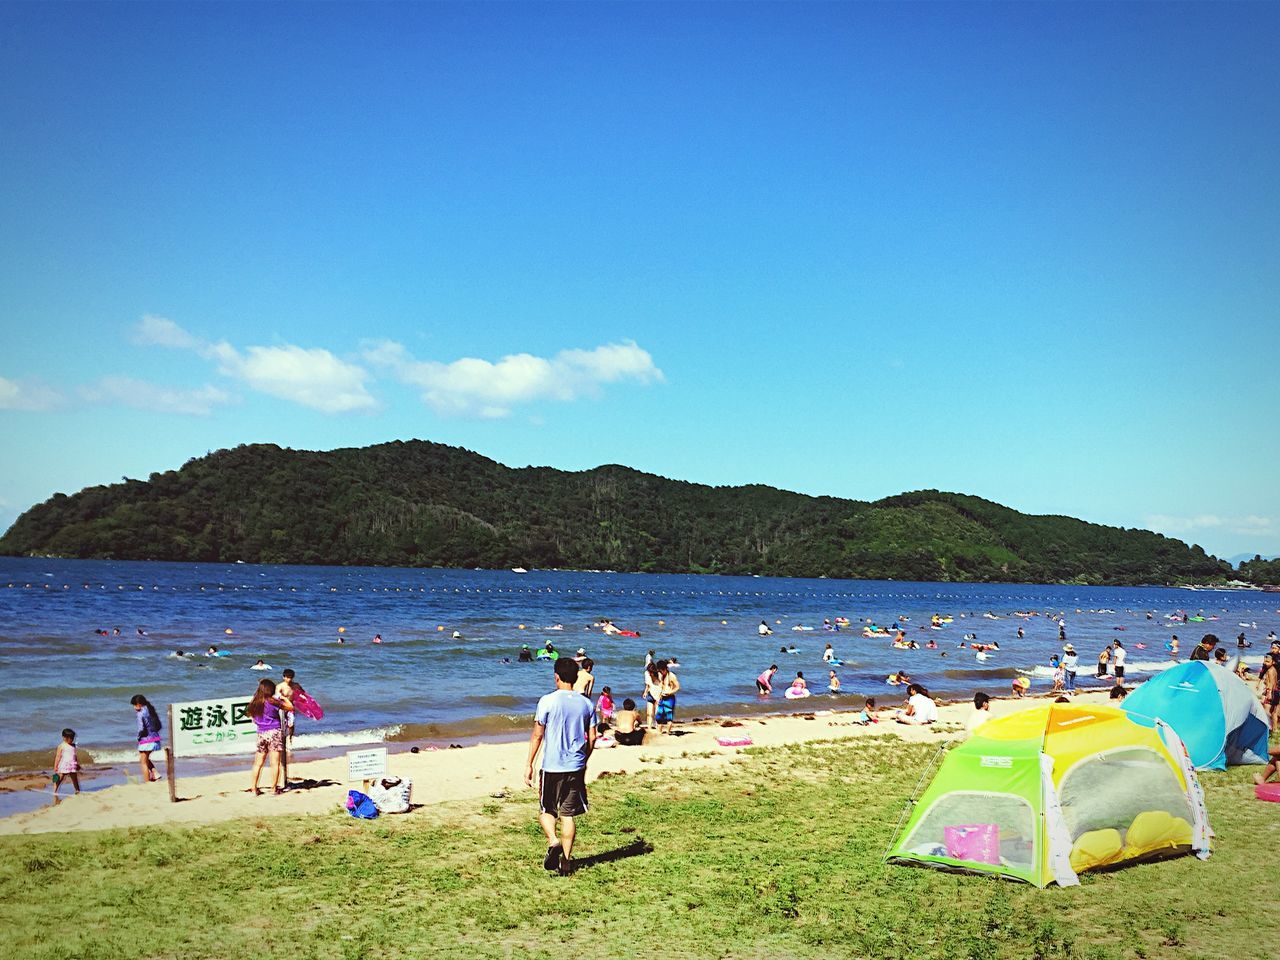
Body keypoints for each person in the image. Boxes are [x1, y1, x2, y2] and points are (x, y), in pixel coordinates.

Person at [525, 657, 596, 875]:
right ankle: (565, 863)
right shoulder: (586, 703)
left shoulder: (547, 701)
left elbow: (538, 735)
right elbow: (592, 737)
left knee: (547, 810)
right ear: (576, 678)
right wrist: (584, 759)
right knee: (568, 815)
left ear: (556, 677)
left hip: (552, 766)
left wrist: (529, 764)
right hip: (575, 766)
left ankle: (553, 840)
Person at [247, 678, 293, 796]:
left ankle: (254, 789)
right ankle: (273, 789)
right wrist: (283, 697)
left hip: (261, 733)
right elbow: (290, 707)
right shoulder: (273, 702)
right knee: (274, 763)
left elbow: (251, 717)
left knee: (258, 763)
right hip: (274, 732)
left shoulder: (254, 703)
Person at [130, 694, 163, 783]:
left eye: (134, 705)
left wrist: (138, 737)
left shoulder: (141, 713)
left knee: (143, 762)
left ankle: (147, 782)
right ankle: (155, 773)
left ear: (139, 704)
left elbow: (141, 728)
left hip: (147, 740)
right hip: (155, 738)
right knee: (144, 758)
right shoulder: (150, 710)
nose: (134, 707)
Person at [52, 728, 81, 799]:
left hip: (72, 765)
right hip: (64, 765)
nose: (72, 740)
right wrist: (55, 766)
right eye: (70, 738)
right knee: (60, 778)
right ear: (64, 738)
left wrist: (76, 764)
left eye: (73, 738)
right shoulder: (61, 746)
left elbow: (74, 755)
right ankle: (54, 792)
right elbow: (58, 757)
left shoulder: (73, 745)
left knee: (75, 779)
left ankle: (77, 791)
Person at [655, 660, 680, 734]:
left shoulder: (671, 676)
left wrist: (669, 692)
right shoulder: (661, 675)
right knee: (659, 716)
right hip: (662, 697)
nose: (660, 672)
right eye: (659, 671)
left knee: (669, 716)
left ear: (665, 669)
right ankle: (659, 732)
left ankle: (668, 732)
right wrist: (658, 697)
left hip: (669, 698)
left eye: (661, 671)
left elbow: (677, 687)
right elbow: (661, 686)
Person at [1258, 654, 1279, 727]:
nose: (1265, 663)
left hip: (1271, 692)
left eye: (1267, 661)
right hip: (1275, 692)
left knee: (1266, 711)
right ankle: (1274, 728)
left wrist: (1269, 693)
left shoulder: (1270, 671)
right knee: (1273, 712)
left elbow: (1272, 682)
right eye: (1264, 661)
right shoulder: (1273, 669)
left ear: (1273, 662)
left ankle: (1268, 727)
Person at [643, 662, 662, 729]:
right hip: (650, 694)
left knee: (657, 713)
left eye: (650, 672)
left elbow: (663, 686)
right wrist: (645, 692)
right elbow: (648, 684)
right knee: (649, 713)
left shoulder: (660, 675)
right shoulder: (646, 674)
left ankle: (657, 726)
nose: (649, 674)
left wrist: (660, 697)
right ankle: (649, 727)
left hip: (659, 695)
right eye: (648, 672)